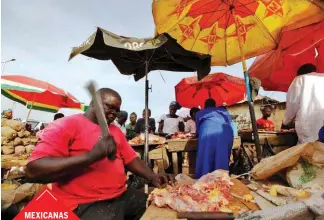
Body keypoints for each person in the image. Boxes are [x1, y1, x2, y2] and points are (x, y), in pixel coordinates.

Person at [26, 88, 174, 220]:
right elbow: (33, 170)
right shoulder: (65, 125)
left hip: (121, 195)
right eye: (110, 107)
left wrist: (152, 176)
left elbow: (131, 158)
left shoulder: (115, 131)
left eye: (117, 109)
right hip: (84, 203)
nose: (114, 113)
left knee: (161, 208)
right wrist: (91, 157)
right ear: (94, 104)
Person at [282, 63, 324, 143]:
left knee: (307, 151)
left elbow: (292, 105)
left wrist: (285, 122)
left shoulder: (299, 79)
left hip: (308, 128)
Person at [195, 98, 234, 179]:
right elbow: (230, 124)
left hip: (207, 132)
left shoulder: (199, 113)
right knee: (221, 155)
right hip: (225, 133)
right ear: (215, 105)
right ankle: (222, 179)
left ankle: (205, 178)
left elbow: (198, 131)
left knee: (206, 155)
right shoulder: (223, 111)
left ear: (205, 106)